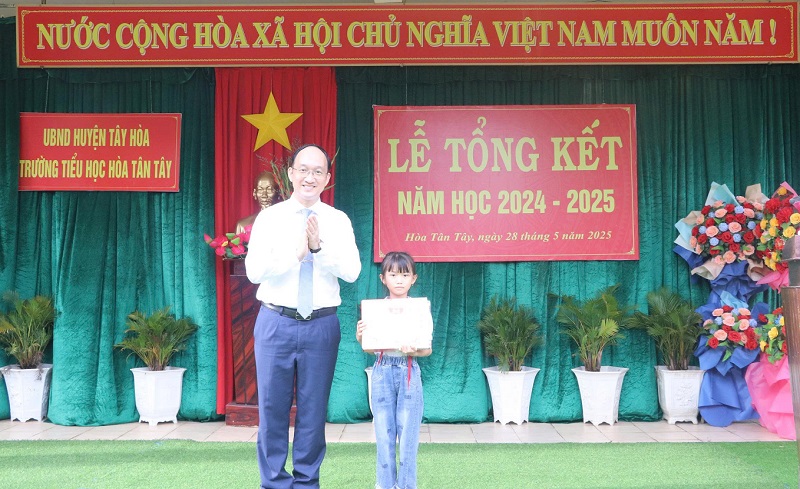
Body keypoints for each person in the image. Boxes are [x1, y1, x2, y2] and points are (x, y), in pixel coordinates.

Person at [245, 144, 361, 489]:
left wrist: (318, 249)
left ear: (327, 178)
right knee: (272, 409)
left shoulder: (338, 220)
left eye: (317, 171)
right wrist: (296, 253)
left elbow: (352, 271)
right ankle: (274, 483)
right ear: (291, 174)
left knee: (313, 412)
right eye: (304, 170)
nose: (310, 177)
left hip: (322, 325)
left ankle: (308, 482)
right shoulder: (270, 218)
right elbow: (254, 271)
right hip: (275, 322)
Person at [356, 251, 432, 489]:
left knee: (408, 435)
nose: (399, 280)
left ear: (414, 279)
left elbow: (427, 349)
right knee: (383, 433)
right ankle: (385, 485)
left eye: (405, 275)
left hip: (408, 370)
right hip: (382, 370)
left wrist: (414, 350)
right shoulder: (375, 311)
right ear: (383, 279)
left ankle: (407, 485)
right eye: (393, 275)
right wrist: (361, 337)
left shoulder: (419, 309)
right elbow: (371, 349)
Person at [235, 170, 280, 235]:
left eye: (269, 190)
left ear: (278, 193)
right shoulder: (242, 225)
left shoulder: (287, 223)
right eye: (260, 190)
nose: (264, 195)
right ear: (254, 193)